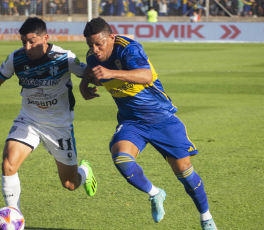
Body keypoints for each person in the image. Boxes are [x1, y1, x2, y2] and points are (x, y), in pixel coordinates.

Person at [80, 17, 217, 230]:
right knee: (121, 158)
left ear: (112, 38)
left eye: (100, 43)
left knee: (184, 172)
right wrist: (83, 87)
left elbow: (145, 76)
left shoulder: (129, 49)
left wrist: (111, 74)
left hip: (162, 118)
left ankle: (206, 218)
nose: (95, 49)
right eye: (91, 45)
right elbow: (90, 71)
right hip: (132, 122)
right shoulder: (93, 57)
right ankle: (155, 193)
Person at [0, 17, 97, 212]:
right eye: (23, 41)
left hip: (59, 126)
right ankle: (15, 218)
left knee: (70, 184)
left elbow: (90, 74)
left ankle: (84, 172)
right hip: (29, 120)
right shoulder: (16, 58)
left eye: (32, 41)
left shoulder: (64, 57)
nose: (27, 46)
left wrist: (88, 86)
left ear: (45, 38)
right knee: (8, 165)